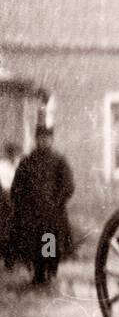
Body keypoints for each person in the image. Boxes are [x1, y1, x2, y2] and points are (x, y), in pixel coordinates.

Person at [10, 118, 75, 286]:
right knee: (34, 245)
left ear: (51, 140)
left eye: (47, 138)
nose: (43, 141)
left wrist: (57, 202)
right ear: (36, 139)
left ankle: (50, 272)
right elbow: (17, 186)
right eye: (40, 138)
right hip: (31, 214)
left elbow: (68, 185)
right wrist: (22, 205)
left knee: (50, 243)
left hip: (52, 214)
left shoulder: (59, 160)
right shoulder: (27, 161)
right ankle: (38, 275)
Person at [0, 142, 17, 269]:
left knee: (15, 231)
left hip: (17, 201)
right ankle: (6, 258)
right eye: (10, 152)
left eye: (14, 152)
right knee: (4, 231)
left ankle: (12, 259)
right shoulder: (2, 166)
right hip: (4, 202)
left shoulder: (19, 165)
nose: (12, 155)